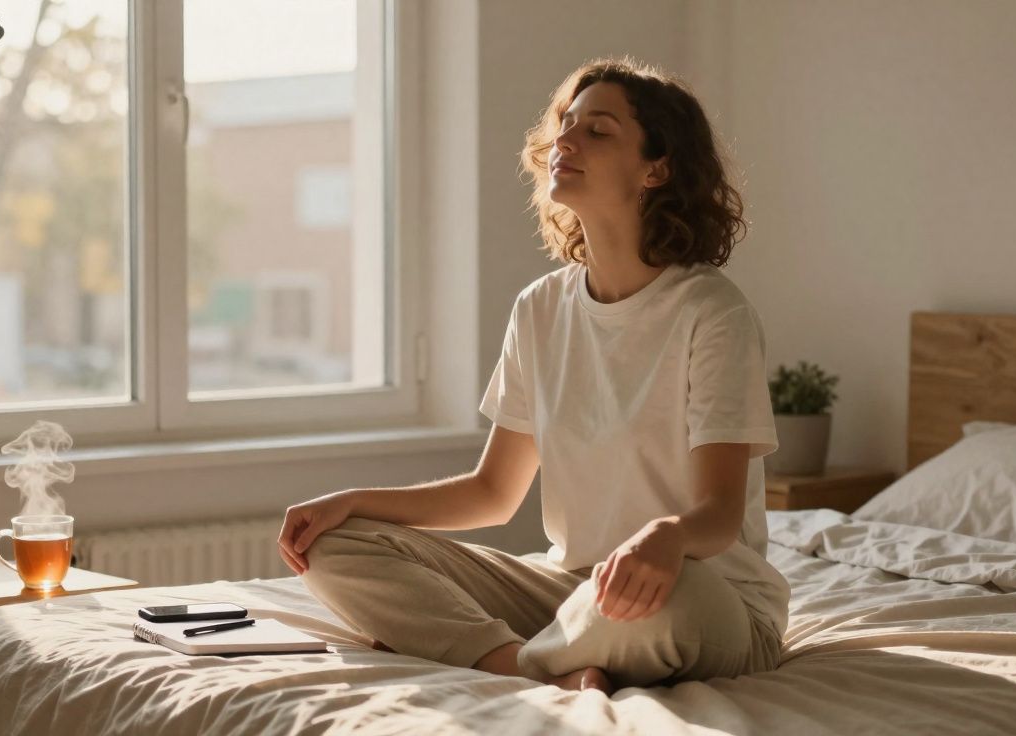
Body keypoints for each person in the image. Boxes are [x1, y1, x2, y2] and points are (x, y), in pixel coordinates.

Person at [278, 57, 788, 695]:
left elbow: (716, 516)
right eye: (566, 125)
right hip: (576, 590)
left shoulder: (711, 311)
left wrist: (665, 536)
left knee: (673, 593)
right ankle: (524, 662)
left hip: (708, 597)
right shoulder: (540, 307)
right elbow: (491, 493)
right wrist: (352, 502)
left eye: (597, 131)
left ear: (656, 169)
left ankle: (516, 659)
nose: (565, 141)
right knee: (336, 546)